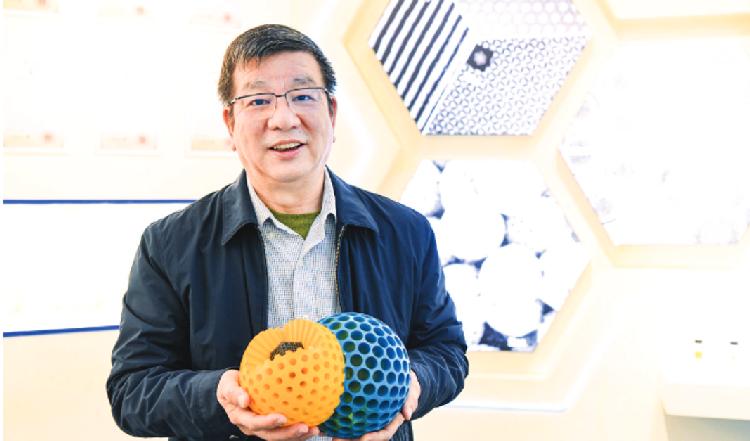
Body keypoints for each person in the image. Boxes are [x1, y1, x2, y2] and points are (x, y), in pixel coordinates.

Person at [106, 23, 468, 441]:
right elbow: (132, 390)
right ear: (230, 123)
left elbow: (445, 351)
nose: (283, 119)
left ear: (332, 113)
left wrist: (411, 383)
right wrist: (218, 397)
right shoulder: (170, 245)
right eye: (258, 100)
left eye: (302, 95)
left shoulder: (405, 233)